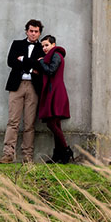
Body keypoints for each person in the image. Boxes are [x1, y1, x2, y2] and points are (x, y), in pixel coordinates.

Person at [0, 19, 44, 164]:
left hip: (33, 87)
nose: (33, 34)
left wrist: (23, 59)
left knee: (30, 123)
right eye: (31, 31)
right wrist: (32, 65)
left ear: (39, 33)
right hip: (16, 85)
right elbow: (11, 62)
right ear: (26, 31)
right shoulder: (17, 44)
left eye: (36, 31)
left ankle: (27, 156)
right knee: (13, 121)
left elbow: (41, 65)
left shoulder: (42, 48)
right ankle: (8, 154)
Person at [35, 35, 72, 164]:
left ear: (53, 45)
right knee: (56, 124)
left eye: (46, 45)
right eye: (43, 46)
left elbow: (51, 71)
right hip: (53, 91)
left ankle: (67, 150)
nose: (44, 48)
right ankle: (58, 154)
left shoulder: (56, 55)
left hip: (56, 92)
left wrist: (41, 62)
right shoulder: (52, 56)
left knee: (52, 123)